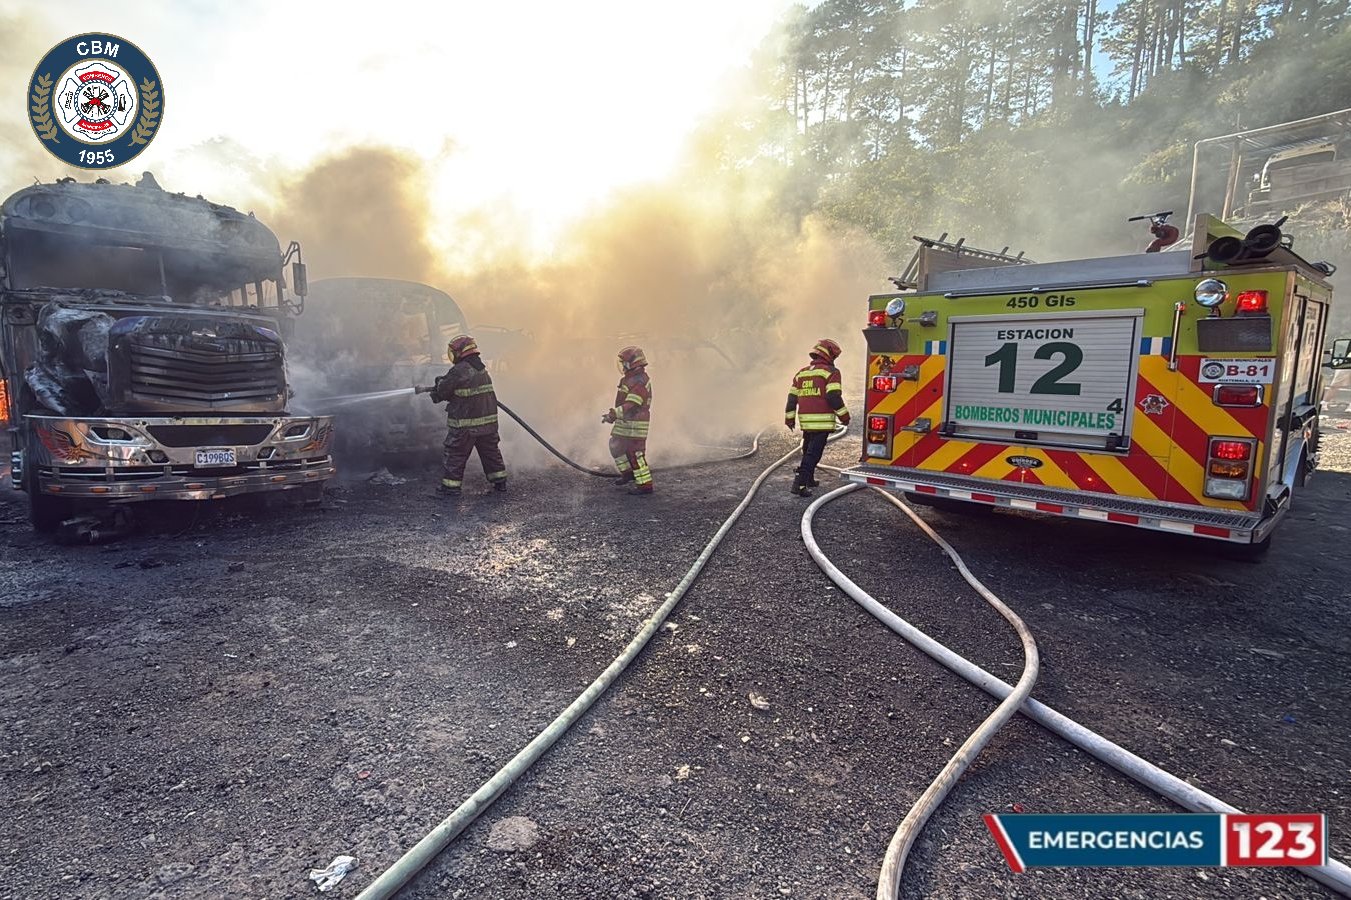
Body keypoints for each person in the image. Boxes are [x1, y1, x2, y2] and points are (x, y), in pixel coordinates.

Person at [427, 335, 507, 495]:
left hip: (465, 426)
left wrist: (438, 385)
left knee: (455, 454)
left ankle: (450, 488)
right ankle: (500, 482)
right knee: (490, 453)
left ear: (459, 352)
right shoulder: (481, 369)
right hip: (487, 425)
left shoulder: (459, 370)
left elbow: (443, 391)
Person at [785, 338, 850, 497]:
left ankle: (809, 480)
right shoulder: (831, 372)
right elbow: (833, 397)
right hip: (821, 422)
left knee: (808, 450)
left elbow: (792, 398)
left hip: (806, 421)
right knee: (813, 454)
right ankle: (799, 484)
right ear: (829, 356)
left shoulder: (802, 373)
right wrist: (844, 416)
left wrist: (790, 418)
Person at [603, 345, 654, 495]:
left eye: (624, 363)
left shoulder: (639, 381)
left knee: (635, 453)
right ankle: (628, 473)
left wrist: (613, 414)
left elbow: (631, 404)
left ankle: (645, 485)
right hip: (626, 421)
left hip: (636, 422)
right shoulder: (629, 379)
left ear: (633, 363)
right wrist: (615, 416)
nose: (622, 366)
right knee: (616, 445)